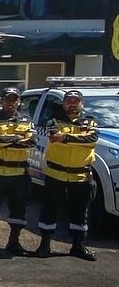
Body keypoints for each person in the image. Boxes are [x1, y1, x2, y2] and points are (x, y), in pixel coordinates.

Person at [36, 90, 98, 261]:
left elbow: (91, 140)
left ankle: (78, 246)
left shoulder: (91, 122)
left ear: (82, 104)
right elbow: (54, 137)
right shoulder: (53, 121)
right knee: (49, 209)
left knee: (80, 212)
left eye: (76, 101)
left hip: (81, 176)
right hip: (56, 174)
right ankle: (44, 245)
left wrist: (65, 138)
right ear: (63, 104)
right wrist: (78, 139)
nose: (72, 104)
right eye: (69, 101)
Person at [0, 87, 36, 256]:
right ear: (1, 101)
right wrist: (17, 138)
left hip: (18, 173)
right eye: (8, 99)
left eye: (14, 99)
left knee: (18, 209)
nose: (11, 103)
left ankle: (14, 242)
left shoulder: (27, 120)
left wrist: (4, 141)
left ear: (19, 102)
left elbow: (31, 142)